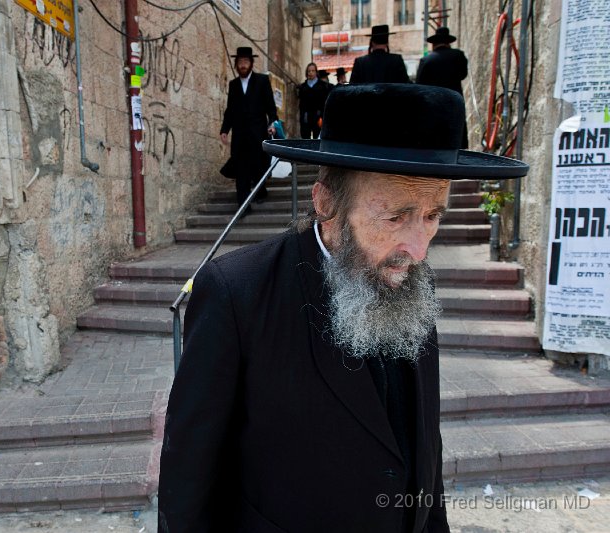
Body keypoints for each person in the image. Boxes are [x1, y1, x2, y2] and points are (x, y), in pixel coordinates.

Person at [158, 84, 528, 532]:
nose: (418, 249)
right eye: (395, 216)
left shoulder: (408, 276)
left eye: (433, 216)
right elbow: (188, 477)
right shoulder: (237, 292)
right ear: (326, 203)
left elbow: (424, 445)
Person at [220, 46, 277, 212]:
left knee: (259, 165)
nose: (243, 65)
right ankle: (243, 206)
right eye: (240, 62)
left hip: (258, 133)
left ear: (251, 63)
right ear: (236, 65)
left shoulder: (262, 81)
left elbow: (270, 107)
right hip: (239, 135)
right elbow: (230, 110)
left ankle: (261, 191)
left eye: (246, 61)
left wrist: (272, 122)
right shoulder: (234, 85)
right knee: (241, 169)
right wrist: (225, 129)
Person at [416, 27, 469, 147]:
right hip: (454, 100)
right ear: (448, 43)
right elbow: (463, 74)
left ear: (434, 44)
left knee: (436, 139)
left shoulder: (426, 60)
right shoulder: (458, 55)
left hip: (434, 104)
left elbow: (419, 85)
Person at [297, 62, 328, 139]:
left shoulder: (322, 86)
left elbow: (324, 103)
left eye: (313, 71)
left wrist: (322, 117)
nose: (310, 73)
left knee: (317, 138)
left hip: (318, 115)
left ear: (316, 72)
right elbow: (301, 104)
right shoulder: (303, 87)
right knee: (305, 137)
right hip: (306, 116)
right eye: (309, 71)